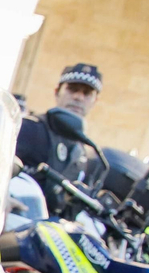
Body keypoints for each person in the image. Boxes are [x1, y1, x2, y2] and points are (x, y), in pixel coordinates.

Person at [15, 63, 104, 212]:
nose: (78, 97)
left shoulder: (83, 154)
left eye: (87, 93)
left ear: (95, 101)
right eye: (72, 89)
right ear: (57, 92)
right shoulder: (30, 128)